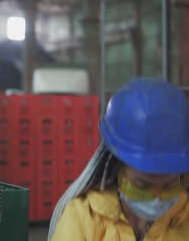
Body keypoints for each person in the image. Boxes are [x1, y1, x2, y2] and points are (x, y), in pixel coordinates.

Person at [48, 78, 189, 241]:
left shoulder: (184, 216)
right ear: (115, 167)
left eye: (170, 187)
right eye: (141, 186)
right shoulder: (84, 218)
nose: (157, 200)